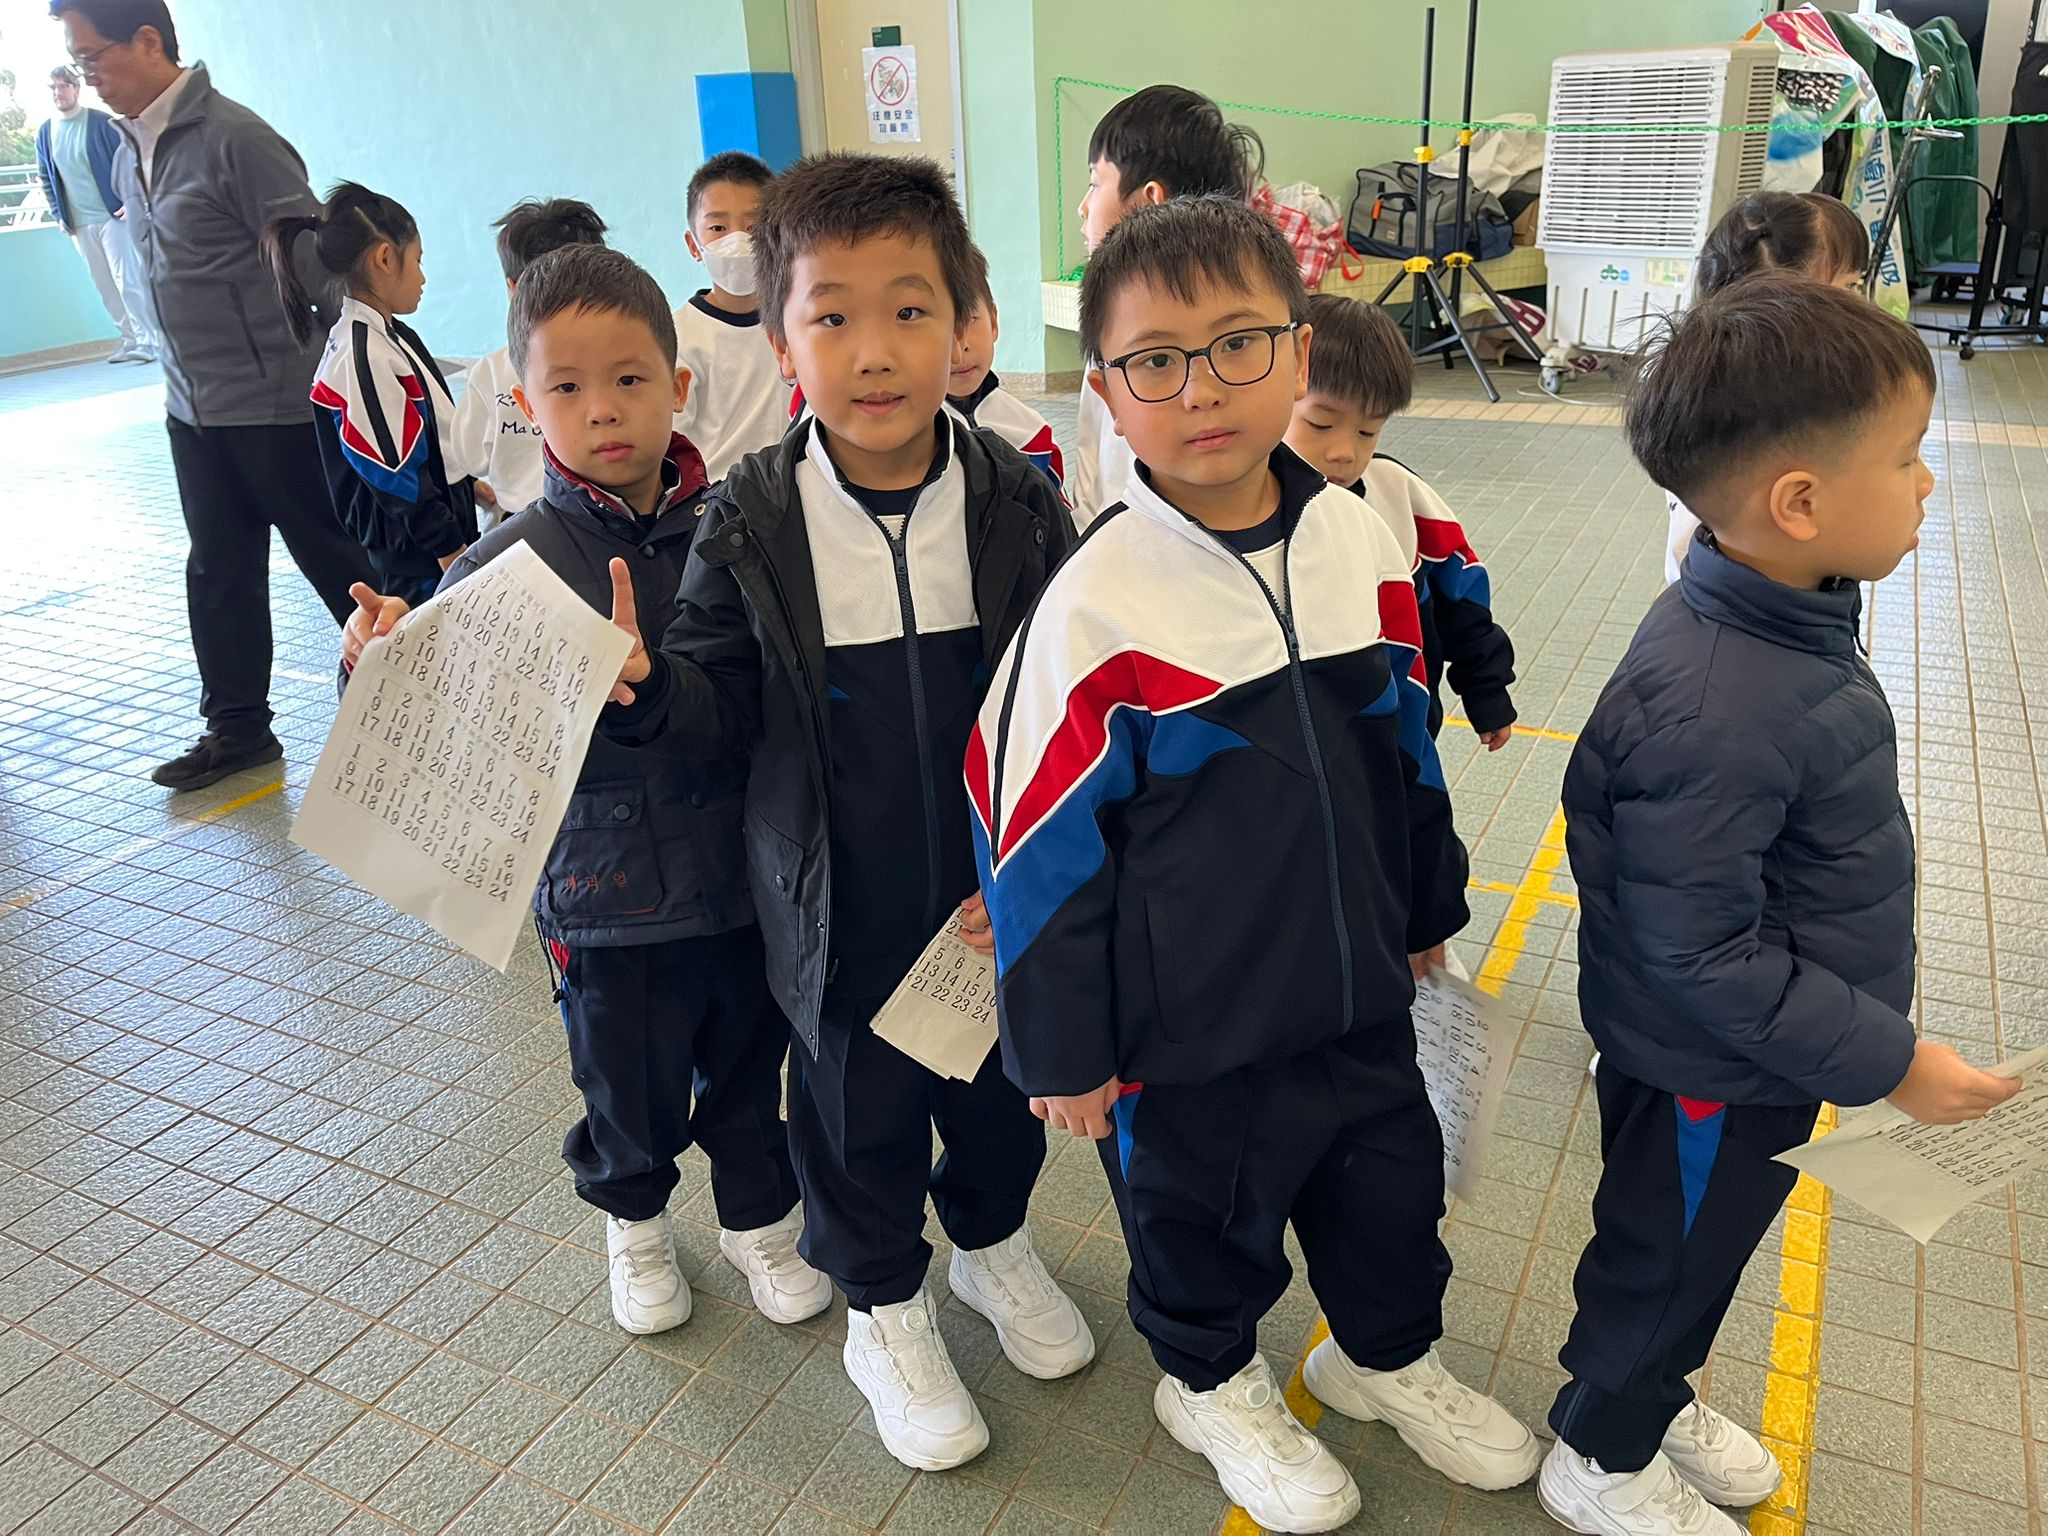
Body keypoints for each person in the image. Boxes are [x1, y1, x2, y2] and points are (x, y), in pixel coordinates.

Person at [973, 195, 1541, 1534]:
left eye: (1238, 344)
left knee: (1389, 1194)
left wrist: (1425, 905)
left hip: (1357, 994)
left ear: (1298, 350)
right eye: (1154, 360)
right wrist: (1060, 1046)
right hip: (1190, 1033)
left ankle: (1380, 1358)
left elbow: (1404, 740)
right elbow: (1032, 844)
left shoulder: (1356, 538)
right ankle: (1210, 1382)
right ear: (1106, 389)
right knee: (1202, 1223)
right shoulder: (1095, 605)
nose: (1201, 388)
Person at [598, 152, 1091, 1472]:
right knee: (855, 1113)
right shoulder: (754, 518)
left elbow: (1065, 698)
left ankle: (989, 1241)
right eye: (832, 317)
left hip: (987, 898)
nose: (874, 352)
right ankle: (883, 1307)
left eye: (909, 310)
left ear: (963, 324)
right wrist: (649, 690)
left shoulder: (1014, 497)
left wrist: (1043, 869)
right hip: (836, 901)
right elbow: (711, 706)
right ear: (781, 340)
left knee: (999, 1096)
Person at [1538, 279, 2019, 1536]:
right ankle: (1598, 1455)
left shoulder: (1780, 621)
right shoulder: (1721, 700)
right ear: (1796, 504)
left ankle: (1645, 1396)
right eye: (1904, 459)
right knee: (1667, 1257)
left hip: (1757, 1052)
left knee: (1697, 1246)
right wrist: (1889, 1059)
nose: (1925, 484)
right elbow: (1701, 953)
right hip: (1710, 1064)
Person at [340, 245, 830, 1336]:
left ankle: (758, 1220)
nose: (602, 409)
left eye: (629, 379)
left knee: (751, 1069)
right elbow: (425, 720)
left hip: (746, 879)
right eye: (566, 386)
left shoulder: (738, 531)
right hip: (605, 898)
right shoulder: (503, 564)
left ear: (678, 386)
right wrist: (374, 661)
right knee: (626, 1083)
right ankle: (635, 1222)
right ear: (524, 405)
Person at [53, 0, 377, 794]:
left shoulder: (238, 139)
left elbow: (316, 268)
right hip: (193, 410)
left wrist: (360, 379)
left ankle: (429, 701)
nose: (88, 77)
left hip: (277, 406)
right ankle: (237, 731)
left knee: (338, 564)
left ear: (148, 41)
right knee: (219, 570)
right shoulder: (129, 148)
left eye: (93, 58)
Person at [1285, 293, 1516, 749]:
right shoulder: (1242, 510)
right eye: (1320, 424)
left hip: (1404, 735)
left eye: (1367, 431)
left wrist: (1485, 688)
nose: (1344, 452)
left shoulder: (1400, 496)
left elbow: (1463, 602)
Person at [263, 183, 478, 608]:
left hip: (436, 543)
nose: (422, 277)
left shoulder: (391, 337)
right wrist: (451, 554)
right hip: (421, 562)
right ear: (384, 258)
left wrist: (473, 487)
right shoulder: (363, 355)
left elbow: (428, 437)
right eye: (417, 260)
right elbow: (394, 474)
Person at [1067, 83, 1262, 527]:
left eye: (1095, 184)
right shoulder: (1110, 310)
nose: (1083, 207)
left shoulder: (1132, 327)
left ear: (1150, 200)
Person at [1664, 192, 1870, 584]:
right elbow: (1692, 544)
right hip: (1744, 598)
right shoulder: (1738, 405)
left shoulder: (1804, 383)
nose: (1861, 305)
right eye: (1848, 287)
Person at [453, 197, 609, 529]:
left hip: (521, 525)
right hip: (602, 519)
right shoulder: (621, 361)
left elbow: (470, 457)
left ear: (512, 288)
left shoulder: (493, 370)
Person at [671, 150, 793, 482]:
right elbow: (673, 446)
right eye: (718, 227)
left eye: (752, 227)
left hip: (791, 492)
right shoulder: (678, 337)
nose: (737, 241)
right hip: (715, 498)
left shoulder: (797, 324)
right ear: (693, 245)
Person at [36, 63, 156, 363]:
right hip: (79, 224)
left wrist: (131, 199)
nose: (58, 93)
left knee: (127, 280)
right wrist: (59, 214)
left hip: (113, 216)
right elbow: (46, 178)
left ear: (76, 88)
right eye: (53, 88)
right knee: (104, 285)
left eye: (63, 86)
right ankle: (129, 340)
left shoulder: (101, 123)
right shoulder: (46, 133)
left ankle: (148, 341)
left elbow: (131, 161)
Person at [946, 274, 1063, 493]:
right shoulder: (905, 440)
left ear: (993, 322)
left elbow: (1057, 510)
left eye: (970, 319)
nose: (960, 346)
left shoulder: (1032, 434)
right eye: (942, 326)